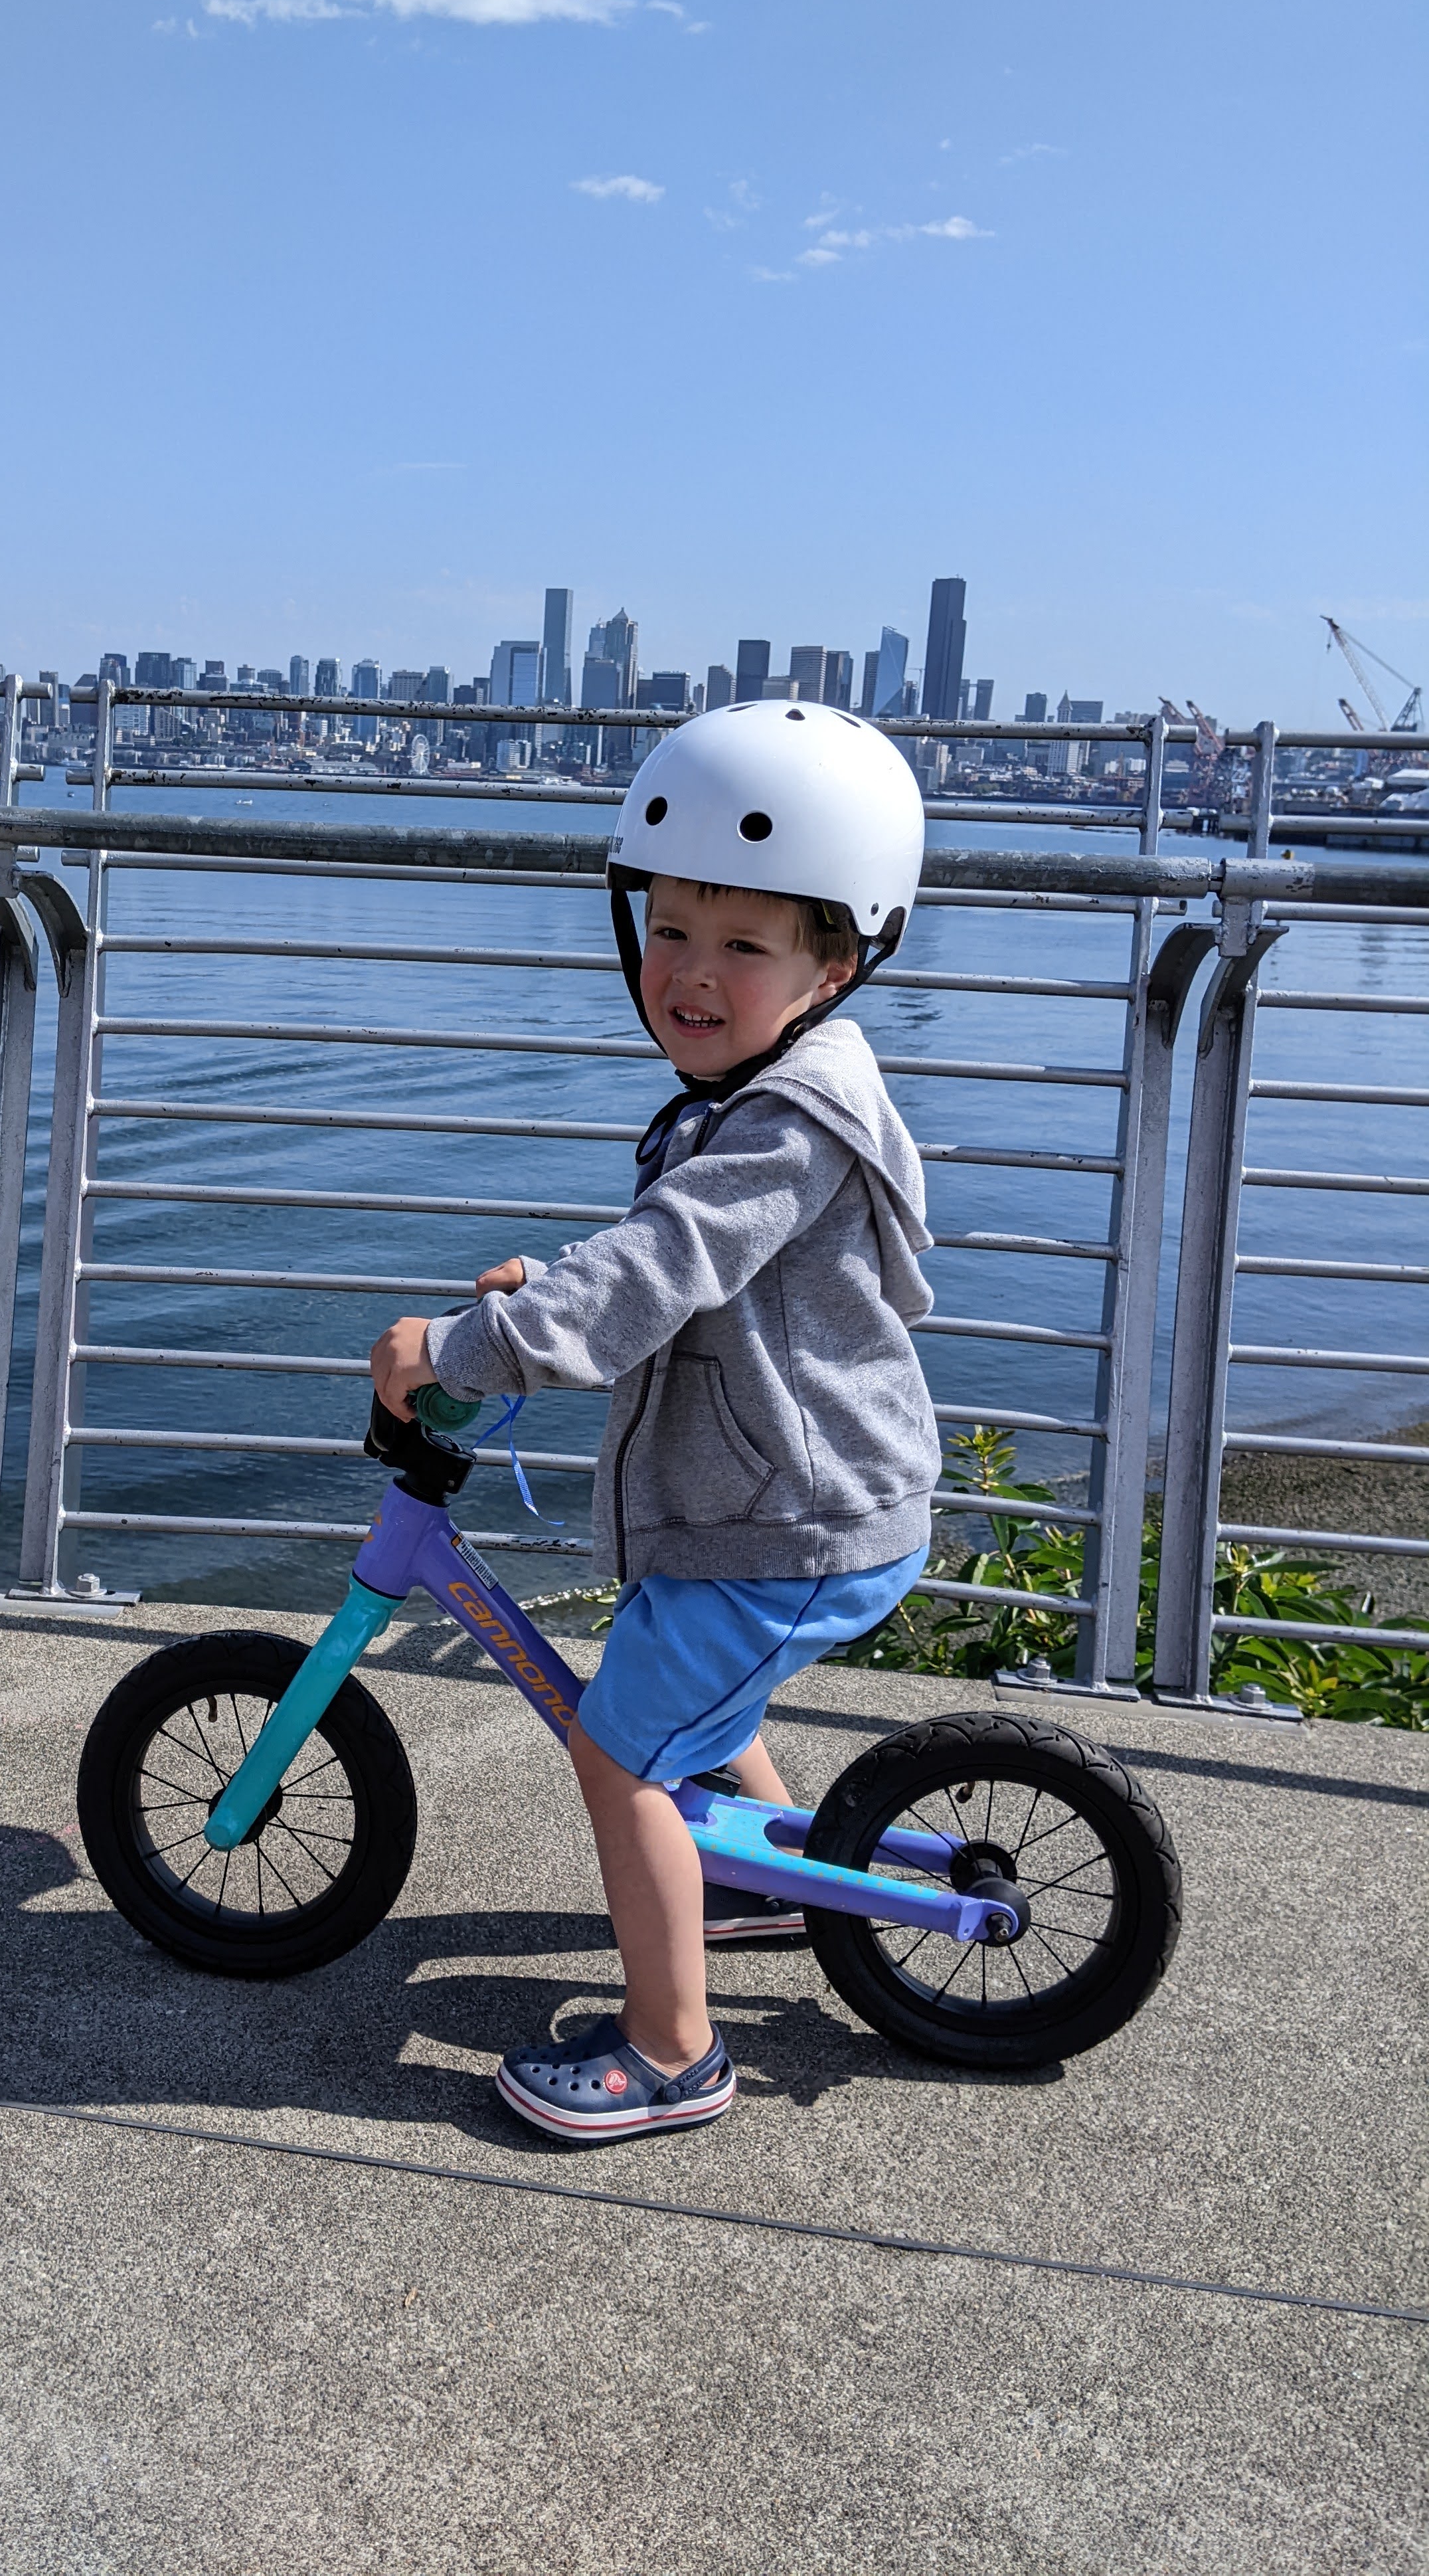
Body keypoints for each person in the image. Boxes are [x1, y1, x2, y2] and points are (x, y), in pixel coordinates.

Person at [369, 699, 940, 2145]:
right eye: (671, 928)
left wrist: (468, 1348)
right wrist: (548, 1292)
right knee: (673, 1664)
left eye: (744, 944)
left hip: (793, 1520)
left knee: (619, 1749)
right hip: (775, 1499)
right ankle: (748, 1883)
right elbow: (671, 1265)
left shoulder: (782, 1127)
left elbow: (658, 1269)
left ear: (836, 964)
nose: (690, 972)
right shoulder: (764, 1090)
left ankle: (673, 2053)